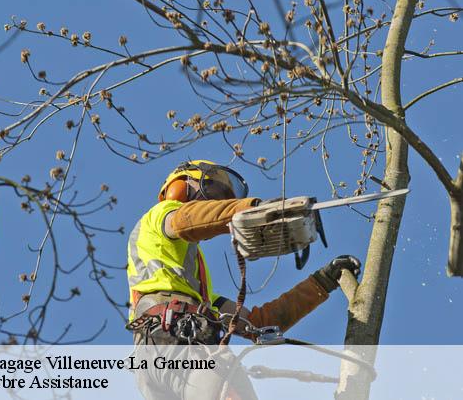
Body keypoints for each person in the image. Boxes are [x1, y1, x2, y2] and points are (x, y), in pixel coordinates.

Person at [126, 160, 361, 398]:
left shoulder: (199, 297)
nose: (213, 204)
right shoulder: (159, 216)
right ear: (180, 187)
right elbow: (188, 219)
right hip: (173, 340)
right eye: (210, 193)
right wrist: (252, 209)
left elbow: (259, 323)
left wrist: (320, 284)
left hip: (158, 355)